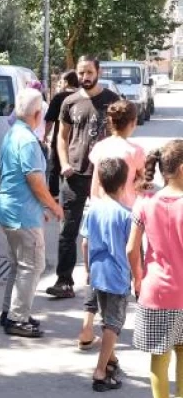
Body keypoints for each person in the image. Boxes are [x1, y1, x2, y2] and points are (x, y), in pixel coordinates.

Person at [46, 56, 120, 299]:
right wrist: (64, 164)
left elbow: (123, 134)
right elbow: (61, 137)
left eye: (89, 72)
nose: (85, 77)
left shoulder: (111, 100)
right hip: (74, 174)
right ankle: (64, 281)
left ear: (98, 71)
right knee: (68, 230)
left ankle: (105, 280)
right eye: (81, 72)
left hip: (105, 176)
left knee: (105, 229)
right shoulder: (70, 102)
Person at [77, 99, 145, 350]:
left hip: (98, 208)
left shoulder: (101, 146)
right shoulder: (135, 151)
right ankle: (125, 320)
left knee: (97, 269)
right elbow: (140, 183)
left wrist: (93, 202)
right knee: (128, 266)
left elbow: (95, 178)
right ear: (133, 123)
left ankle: (86, 326)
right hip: (125, 215)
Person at [0, 88, 63, 338]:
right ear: (37, 114)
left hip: (11, 209)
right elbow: (34, 180)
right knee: (32, 265)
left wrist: (41, 206)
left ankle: (11, 312)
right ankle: (17, 317)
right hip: (21, 213)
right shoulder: (27, 140)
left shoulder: (13, 134)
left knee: (20, 265)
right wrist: (53, 206)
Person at [129, 140, 183, 398]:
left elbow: (131, 249)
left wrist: (137, 278)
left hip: (156, 293)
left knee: (159, 360)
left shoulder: (145, 201)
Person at [78, 158, 132, 392]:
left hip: (98, 273)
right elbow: (132, 250)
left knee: (105, 318)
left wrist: (88, 268)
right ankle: (101, 371)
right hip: (118, 277)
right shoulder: (127, 215)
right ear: (123, 185)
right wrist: (137, 276)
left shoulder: (94, 210)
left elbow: (84, 243)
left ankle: (111, 359)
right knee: (114, 324)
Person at [45, 70, 79, 199]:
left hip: (60, 138)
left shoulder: (59, 97)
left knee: (55, 166)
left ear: (65, 82)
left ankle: (54, 194)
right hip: (78, 140)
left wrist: (44, 136)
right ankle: (73, 193)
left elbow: (50, 120)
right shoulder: (82, 97)